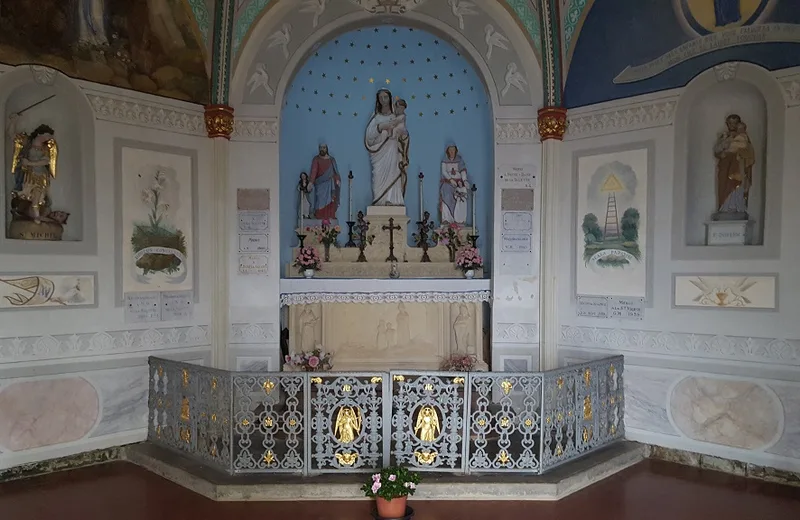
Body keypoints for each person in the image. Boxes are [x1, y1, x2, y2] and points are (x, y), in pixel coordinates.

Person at [365, 89, 406, 206]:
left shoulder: (395, 116)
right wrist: (381, 127)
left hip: (392, 150)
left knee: (393, 173)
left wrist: (398, 131)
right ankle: (379, 201)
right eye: (381, 97)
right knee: (377, 177)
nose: (383, 100)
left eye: (386, 97)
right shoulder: (376, 117)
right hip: (378, 154)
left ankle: (392, 200)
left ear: (390, 98)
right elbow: (369, 137)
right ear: (378, 100)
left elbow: (403, 134)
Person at [713, 114, 755, 218]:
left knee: (737, 184)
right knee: (724, 185)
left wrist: (738, 152)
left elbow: (749, 154)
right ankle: (724, 206)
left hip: (738, 166)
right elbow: (717, 150)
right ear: (727, 124)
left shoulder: (743, 137)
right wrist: (724, 146)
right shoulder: (724, 136)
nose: (732, 125)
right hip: (725, 166)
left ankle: (737, 206)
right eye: (730, 123)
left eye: (735, 123)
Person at [308, 144, 341, 220]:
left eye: (324, 148)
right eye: (320, 148)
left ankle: (329, 216)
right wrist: (310, 182)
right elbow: (314, 171)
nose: (322, 149)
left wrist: (337, 180)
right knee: (319, 201)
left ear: (327, 148)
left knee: (331, 200)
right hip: (319, 184)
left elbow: (336, 172)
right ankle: (319, 216)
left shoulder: (332, 160)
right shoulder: (316, 159)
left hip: (330, 184)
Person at [440, 145, 468, 224]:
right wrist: (450, 180)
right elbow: (444, 172)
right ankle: (447, 218)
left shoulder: (459, 160)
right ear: (447, 151)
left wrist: (464, 180)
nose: (452, 152)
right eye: (450, 150)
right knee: (447, 197)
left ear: (456, 150)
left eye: (453, 150)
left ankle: (458, 219)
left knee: (460, 199)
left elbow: (462, 170)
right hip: (448, 183)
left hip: (458, 183)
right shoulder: (444, 160)